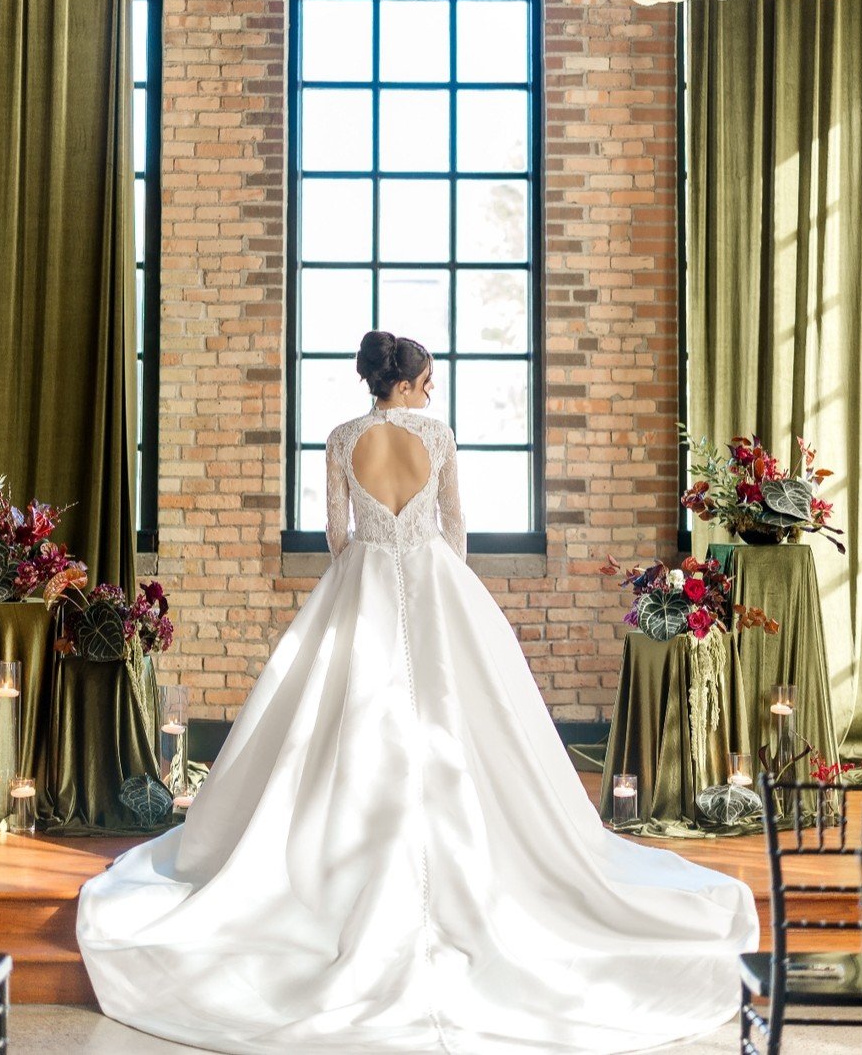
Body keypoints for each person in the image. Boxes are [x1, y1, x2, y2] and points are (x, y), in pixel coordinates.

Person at [77, 329, 759, 1054]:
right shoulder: (436, 435)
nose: (432, 391)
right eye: (428, 379)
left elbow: (335, 533)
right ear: (405, 384)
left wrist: (360, 574)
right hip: (436, 579)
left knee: (330, 722)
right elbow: (455, 523)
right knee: (469, 717)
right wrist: (446, 580)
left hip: (362, 577)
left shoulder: (342, 438)